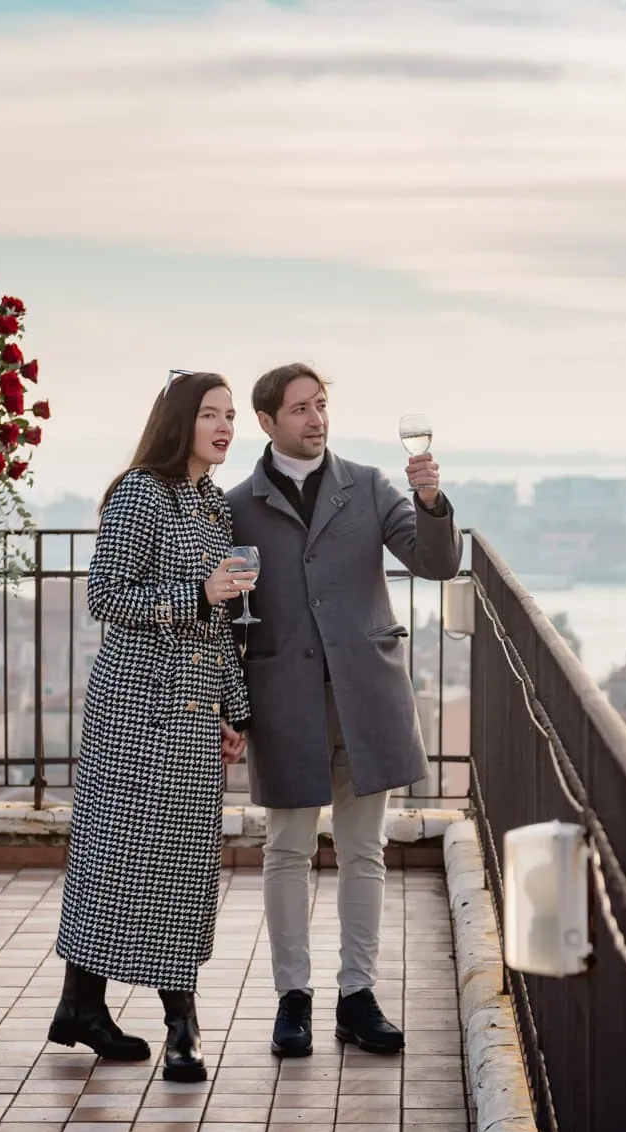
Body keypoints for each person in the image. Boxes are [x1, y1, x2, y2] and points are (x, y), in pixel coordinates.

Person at [225, 363, 461, 1057]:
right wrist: (227, 703)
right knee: (287, 850)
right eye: (299, 409)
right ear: (267, 422)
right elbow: (227, 615)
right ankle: (291, 998)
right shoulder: (236, 505)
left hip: (368, 694)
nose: (316, 419)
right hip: (283, 699)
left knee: (365, 851)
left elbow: (436, 564)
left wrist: (432, 501)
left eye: (321, 405)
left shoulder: (369, 485)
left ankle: (357, 996)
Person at [50, 371, 254, 1083]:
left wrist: (236, 711)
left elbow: (222, 618)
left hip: (195, 709)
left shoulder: (214, 506)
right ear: (178, 423)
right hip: (136, 706)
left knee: (180, 865)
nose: (225, 427)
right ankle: (181, 1025)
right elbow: (104, 595)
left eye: (230, 416)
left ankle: (80, 1005)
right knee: (128, 858)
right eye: (209, 415)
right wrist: (193, 593)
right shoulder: (142, 492)